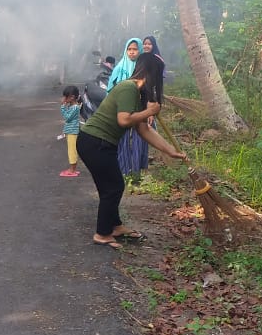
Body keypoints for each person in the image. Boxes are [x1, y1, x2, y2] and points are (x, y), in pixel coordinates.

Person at [76, 52, 187, 249]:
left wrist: (170, 151)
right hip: (95, 141)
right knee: (114, 187)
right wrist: (149, 112)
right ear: (152, 72)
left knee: (109, 187)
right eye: (159, 76)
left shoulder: (138, 94)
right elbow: (124, 120)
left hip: (100, 143)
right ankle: (102, 233)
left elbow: (144, 129)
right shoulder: (128, 88)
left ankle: (115, 226)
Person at [108, 38, 149, 178]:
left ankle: (138, 171)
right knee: (122, 140)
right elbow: (110, 90)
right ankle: (123, 171)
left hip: (140, 109)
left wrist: (149, 112)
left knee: (140, 138)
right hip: (122, 110)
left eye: (135, 49)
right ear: (126, 51)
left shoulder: (144, 68)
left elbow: (149, 91)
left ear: (140, 51)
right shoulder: (119, 68)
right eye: (129, 49)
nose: (132, 52)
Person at [59, 86, 81, 177]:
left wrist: (62, 106)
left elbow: (67, 118)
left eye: (65, 96)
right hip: (70, 131)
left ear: (72, 97)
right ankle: (73, 169)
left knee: (72, 151)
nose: (64, 99)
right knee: (72, 150)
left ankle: (72, 170)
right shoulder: (72, 106)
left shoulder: (74, 107)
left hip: (73, 132)